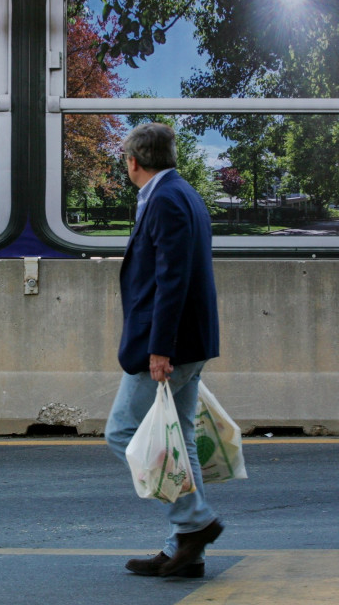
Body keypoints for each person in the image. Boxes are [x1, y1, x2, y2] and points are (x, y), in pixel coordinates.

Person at [104, 122, 223, 579]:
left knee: (124, 432)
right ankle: (186, 551)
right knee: (181, 440)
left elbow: (171, 280)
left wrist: (159, 348)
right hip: (189, 341)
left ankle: (195, 524)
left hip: (170, 344)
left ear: (134, 161)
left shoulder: (167, 200)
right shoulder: (182, 193)